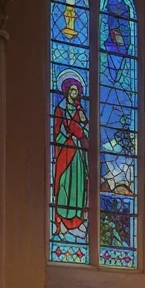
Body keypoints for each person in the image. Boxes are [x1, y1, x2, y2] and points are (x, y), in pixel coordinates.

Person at [53, 76, 89, 234]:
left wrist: (83, 127)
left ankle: (77, 218)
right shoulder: (60, 108)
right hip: (66, 149)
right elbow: (57, 130)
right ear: (67, 91)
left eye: (76, 91)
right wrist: (68, 137)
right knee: (65, 182)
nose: (74, 93)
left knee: (79, 182)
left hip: (78, 150)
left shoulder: (80, 109)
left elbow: (85, 129)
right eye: (72, 90)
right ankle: (63, 217)